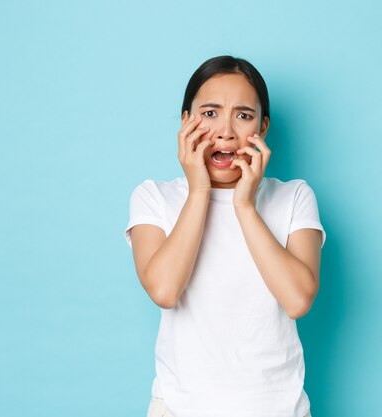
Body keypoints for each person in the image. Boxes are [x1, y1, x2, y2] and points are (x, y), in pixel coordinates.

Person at [124, 55, 326, 417]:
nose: (227, 131)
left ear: (262, 127)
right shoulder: (154, 197)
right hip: (180, 408)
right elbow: (164, 291)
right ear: (186, 121)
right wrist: (199, 190)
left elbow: (297, 300)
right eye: (210, 113)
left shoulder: (294, 197)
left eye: (244, 115)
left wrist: (245, 205)